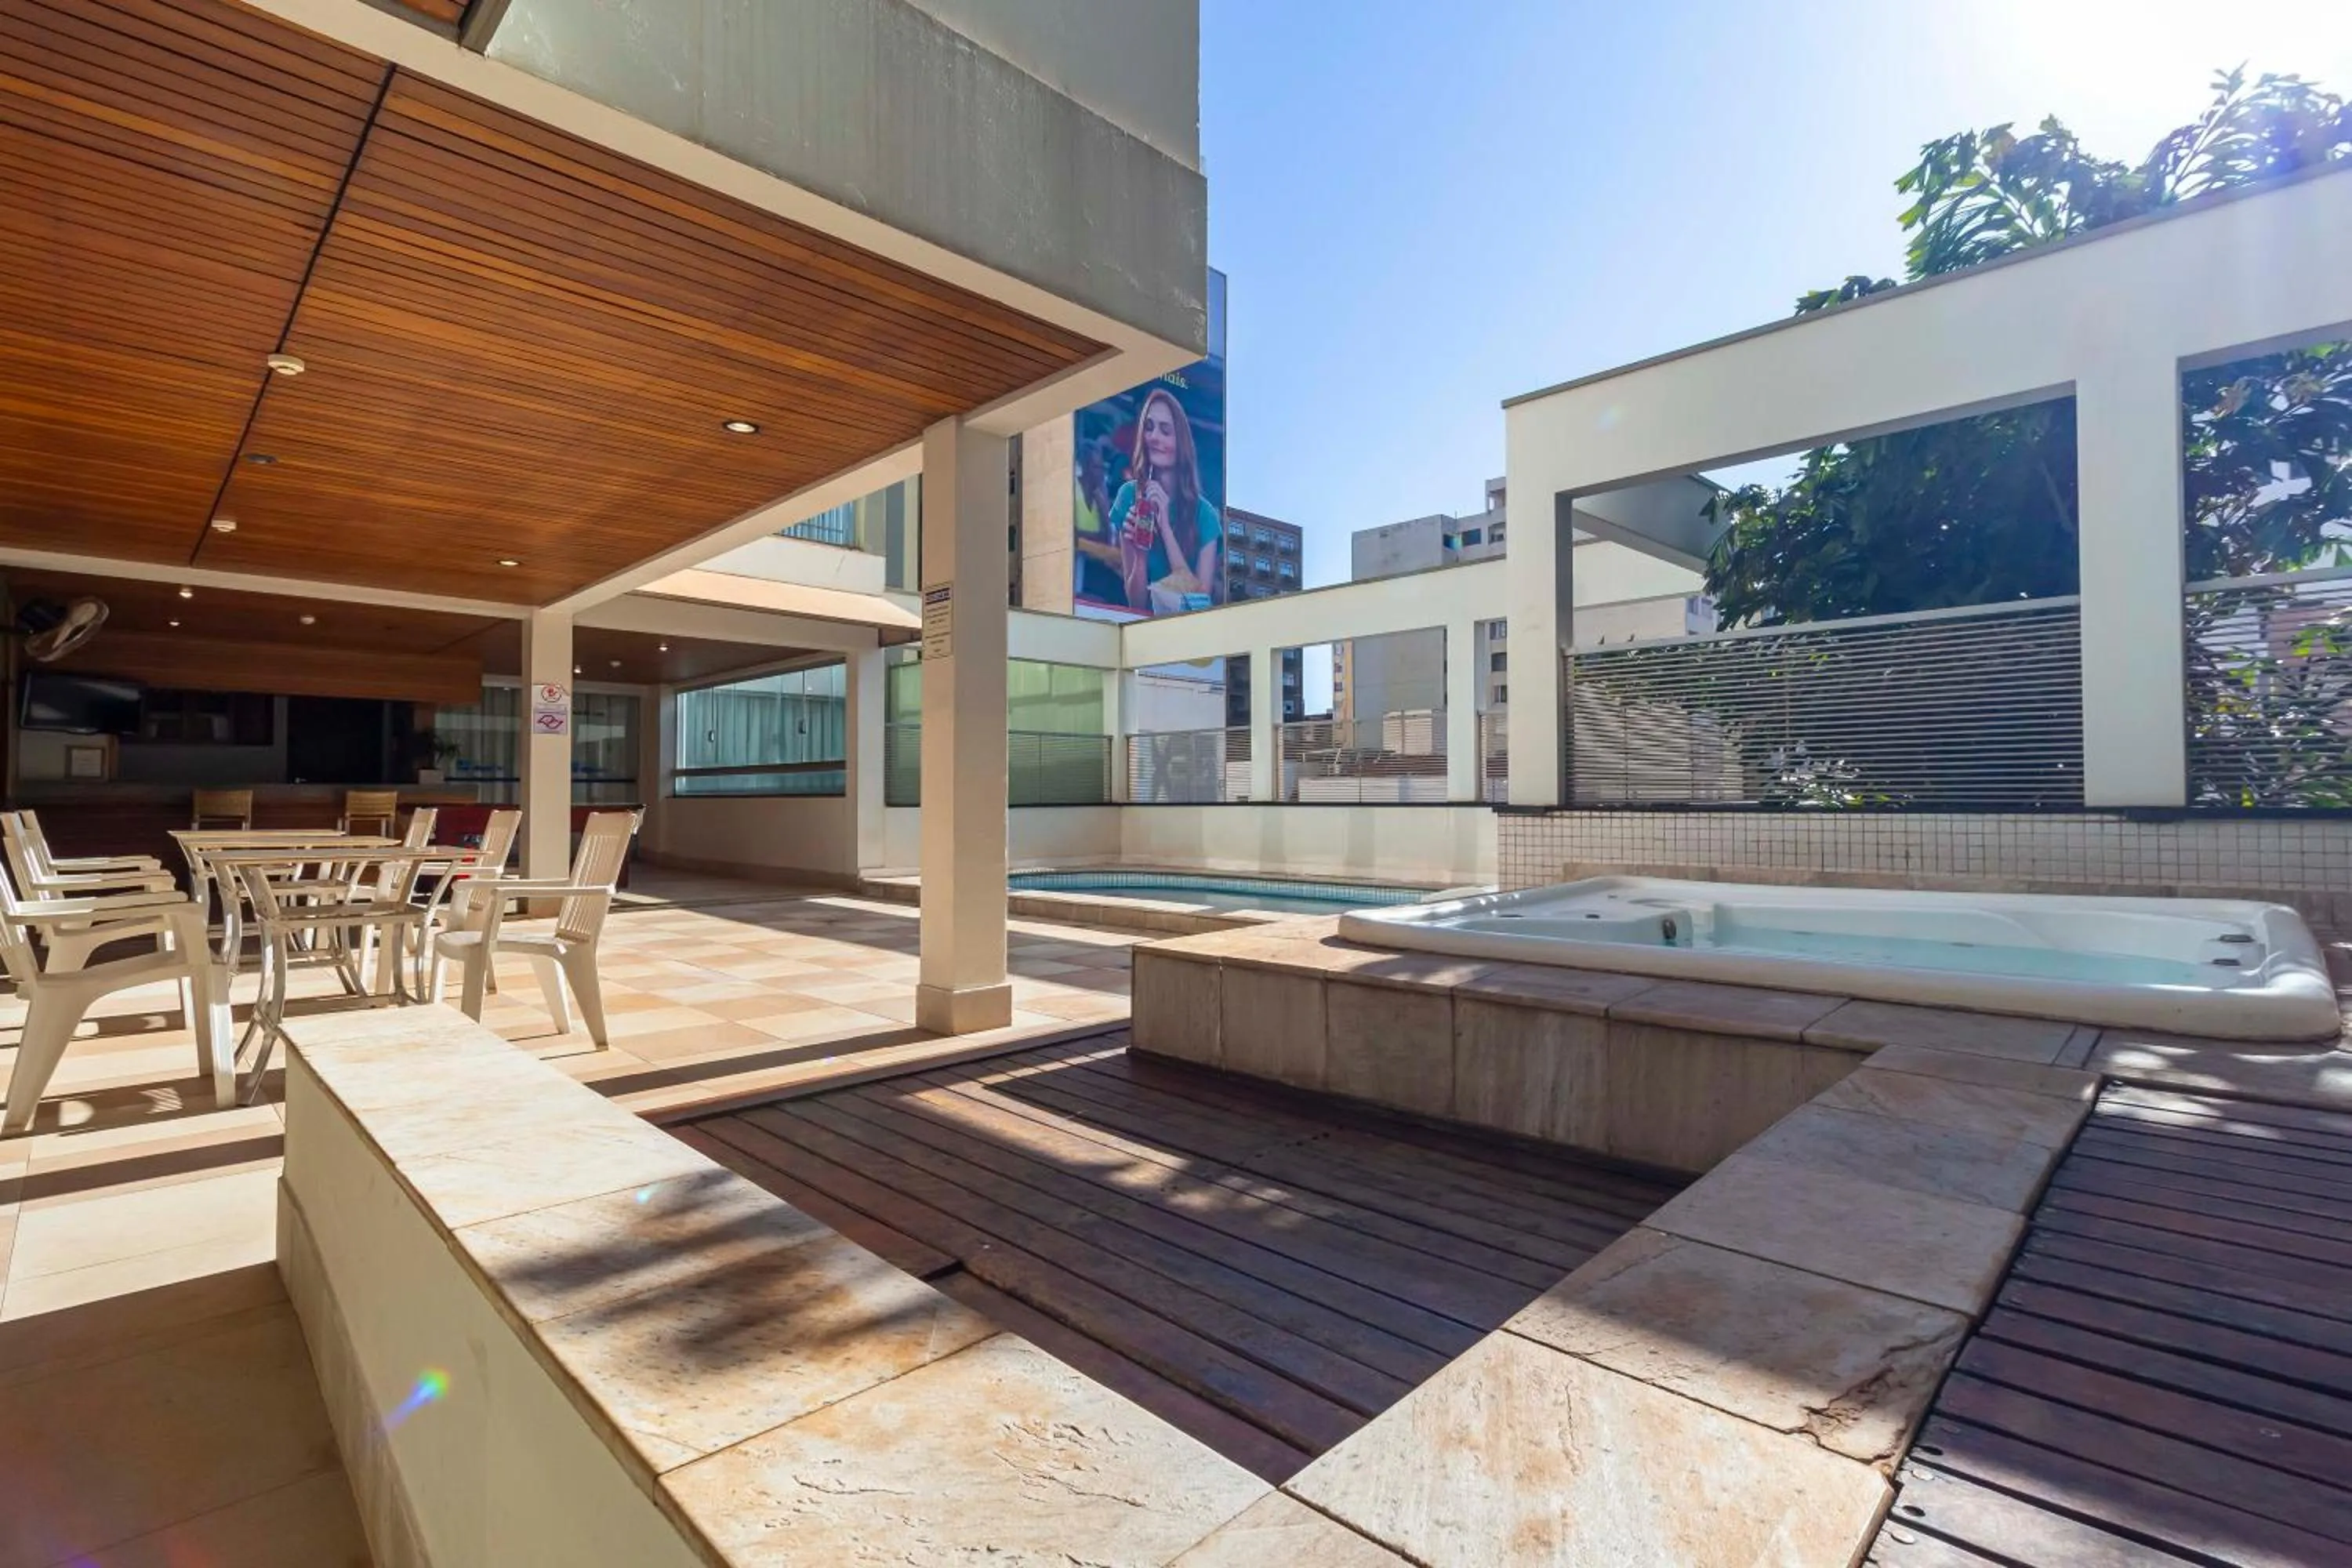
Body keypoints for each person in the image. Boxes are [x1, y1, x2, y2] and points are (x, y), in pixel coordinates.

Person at [1106, 387, 1222, 614]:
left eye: (1165, 431)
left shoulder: (1206, 515)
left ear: (1182, 444)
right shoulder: (1128, 496)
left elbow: (1199, 605)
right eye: (1148, 428)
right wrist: (1141, 554)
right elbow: (1136, 604)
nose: (1154, 437)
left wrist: (1165, 529)